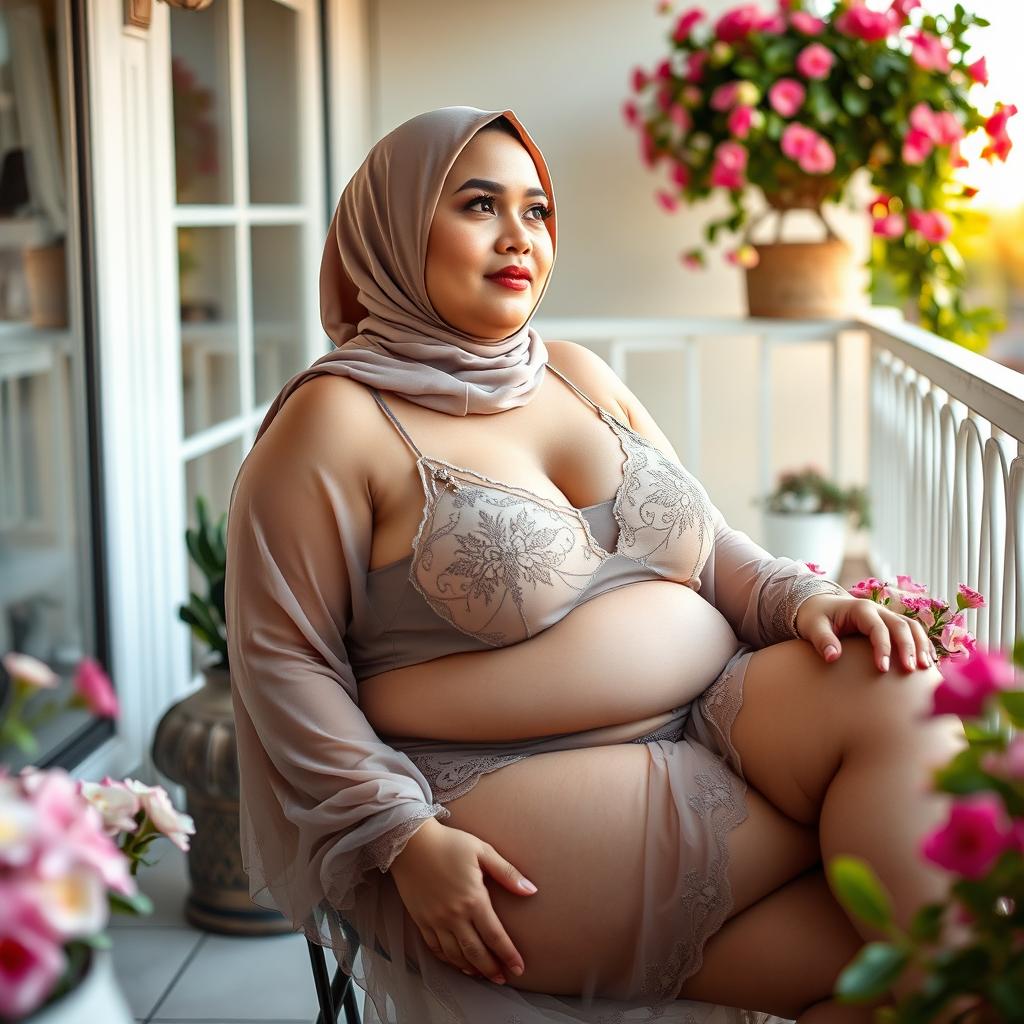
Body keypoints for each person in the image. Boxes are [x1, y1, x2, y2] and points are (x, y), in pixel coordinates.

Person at [224, 107, 967, 1024]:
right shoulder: (333, 422)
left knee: (896, 693)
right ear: (393, 227)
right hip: (497, 791)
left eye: (537, 211)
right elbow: (280, 662)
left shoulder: (576, 371)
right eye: (478, 205)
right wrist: (402, 838)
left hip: (712, 711)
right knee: (895, 907)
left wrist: (803, 597)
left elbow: (709, 544)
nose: (518, 237)